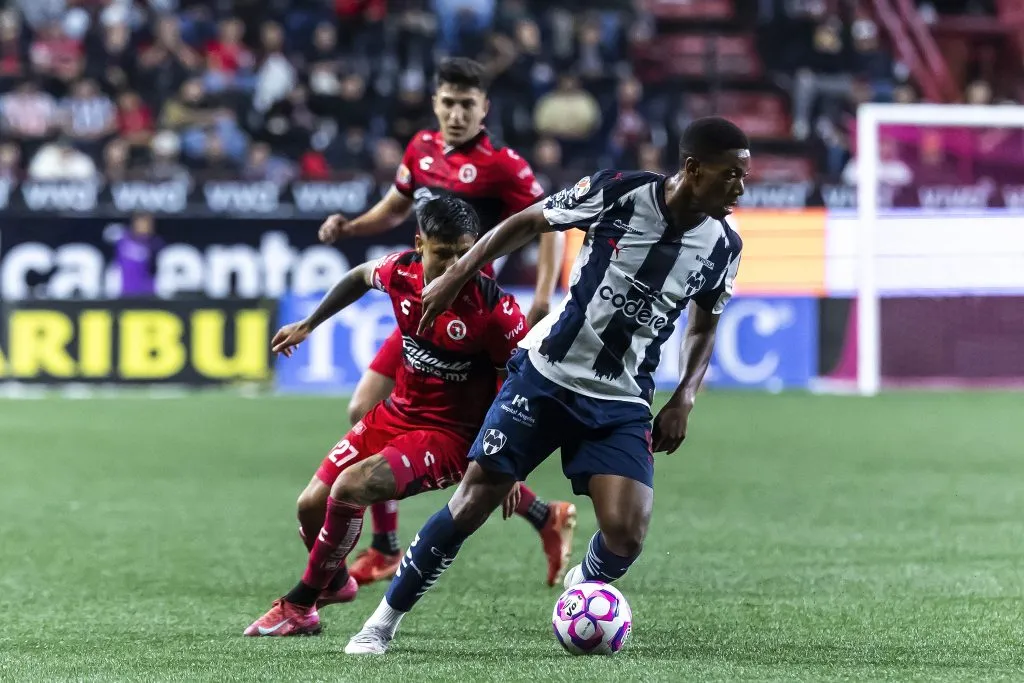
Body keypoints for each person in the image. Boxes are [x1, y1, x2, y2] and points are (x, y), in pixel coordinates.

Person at [343, 117, 750, 654]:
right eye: (731, 176)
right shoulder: (619, 192)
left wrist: (686, 397)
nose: (740, 189)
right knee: (472, 502)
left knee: (627, 535)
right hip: (546, 377)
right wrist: (458, 273)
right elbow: (528, 222)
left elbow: (704, 323)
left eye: (744, 177)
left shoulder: (724, 245)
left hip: (622, 398)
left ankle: (586, 582)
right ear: (693, 169)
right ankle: (382, 622)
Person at [245, 196, 570, 637]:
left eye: (466, 253)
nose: (457, 264)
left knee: (351, 488)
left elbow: (514, 387)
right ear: (420, 245)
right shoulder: (400, 274)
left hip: (450, 436)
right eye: (444, 253)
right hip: (398, 412)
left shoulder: (495, 311)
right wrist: (310, 323)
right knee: (309, 507)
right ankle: (336, 583)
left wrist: (506, 462)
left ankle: (300, 604)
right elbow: (358, 277)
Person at [316, 56, 570, 586]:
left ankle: (543, 514)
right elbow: (393, 207)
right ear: (436, 102)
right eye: (448, 102)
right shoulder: (420, 150)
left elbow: (552, 225)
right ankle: (385, 547)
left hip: (469, 324)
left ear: (484, 108)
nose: (456, 113)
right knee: (363, 406)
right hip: (419, 304)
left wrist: (543, 295)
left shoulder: (504, 165)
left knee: (468, 441)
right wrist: (350, 225)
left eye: (467, 104)